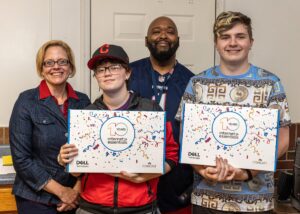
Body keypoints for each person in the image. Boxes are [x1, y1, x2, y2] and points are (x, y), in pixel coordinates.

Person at [176, 11, 291, 213]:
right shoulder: (197, 84)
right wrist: (204, 170)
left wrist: (246, 172)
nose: (233, 43)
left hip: (255, 200)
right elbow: (186, 135)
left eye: (240, 36)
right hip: (207, 199)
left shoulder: (271, 83)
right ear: (216, 43)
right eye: (225, 37)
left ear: (251, 41)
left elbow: (282, 139)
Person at [58, 43, 179, 214]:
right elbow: (77, 172)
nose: (107, 73)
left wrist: (146, 176)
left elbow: (171, 154)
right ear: (96, 77)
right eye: (100, 69)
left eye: (114, 67)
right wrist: (65, 159)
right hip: (91, 208)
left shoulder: (150, 110)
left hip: (141, 208)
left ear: (127, 72)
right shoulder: (86, 115)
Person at [9, 40, 91, 214]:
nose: (56, 67)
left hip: (75, 196)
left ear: (70, 67)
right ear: (41, 68)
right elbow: (22, 160)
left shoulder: (84, 102)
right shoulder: (26, 101)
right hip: (35, 198)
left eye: (62, 61)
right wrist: (62, 192)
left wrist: (76, 190)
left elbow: (91, 152)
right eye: (49, 62)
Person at [129, 16, 194, 214]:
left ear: (178, 39)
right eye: (156, 31)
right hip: (133, 176)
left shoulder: (192, 82)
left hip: (177, 181)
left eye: (170, 31)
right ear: (147, 39)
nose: (163, 35)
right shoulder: (128, 74)